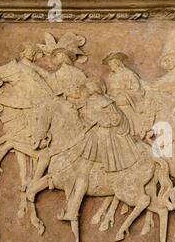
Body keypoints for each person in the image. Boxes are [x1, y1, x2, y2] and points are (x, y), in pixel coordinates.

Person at [58, 77, 141, 221]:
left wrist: (104, 121)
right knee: (80, 169)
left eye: (90, 86)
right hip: (92, 137)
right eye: (87, 87)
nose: (88, 89)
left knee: (83, 170)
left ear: (96, 88)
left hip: (104, 139)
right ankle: (72, 208)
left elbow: (118, 119)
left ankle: (73, 210)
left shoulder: (104, 101)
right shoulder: (88, 102)